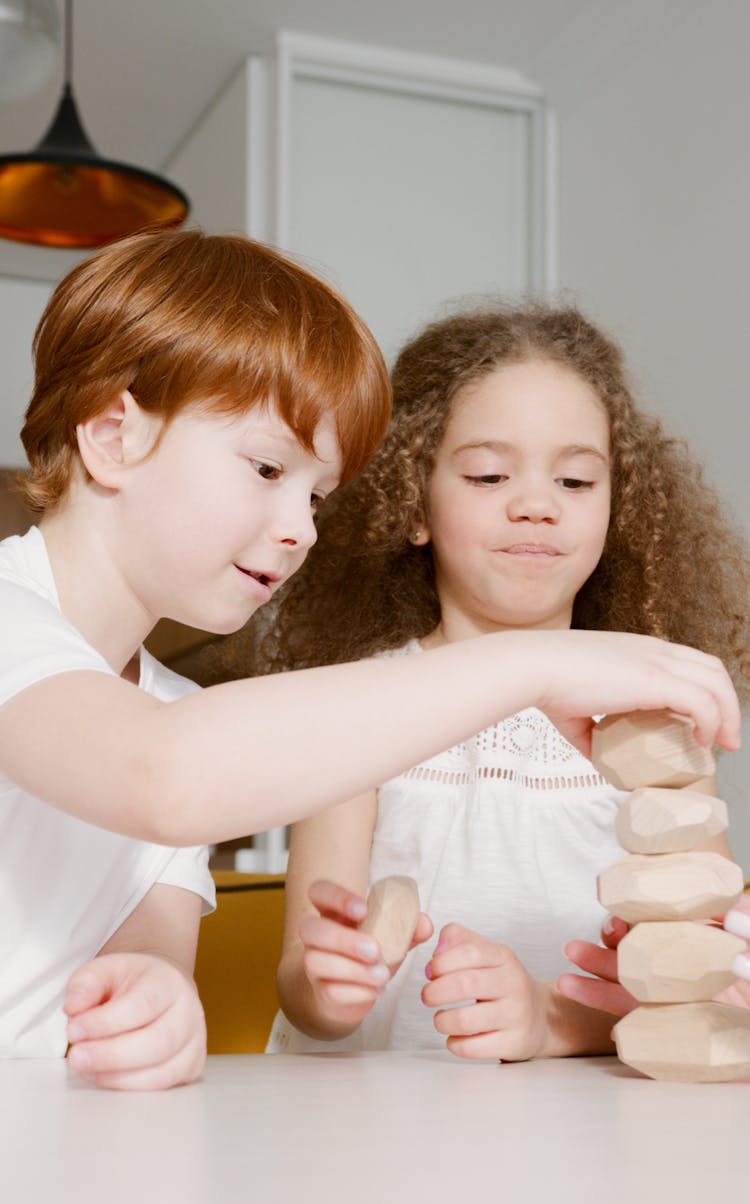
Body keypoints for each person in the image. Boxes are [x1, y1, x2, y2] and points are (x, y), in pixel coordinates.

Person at [0, 238, 739, 1089]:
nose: (303, 529)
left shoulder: (177, 707)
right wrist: (537, 663)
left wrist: (159, 1012)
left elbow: (150, 968)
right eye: (268, 467)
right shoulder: (53, 651)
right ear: (112, 436)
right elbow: (162, 774)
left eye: (315, 495)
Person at [256, 303, 750, 1058]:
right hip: (375, 1138)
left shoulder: (656, 722)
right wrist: (332, 983)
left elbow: (700, 993)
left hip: (586, 1141)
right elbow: (305, 986)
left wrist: (549, 1018)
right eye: (489, 473)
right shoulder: (358, 704)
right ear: (413, 503)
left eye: (577, 480)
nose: (537, 503)